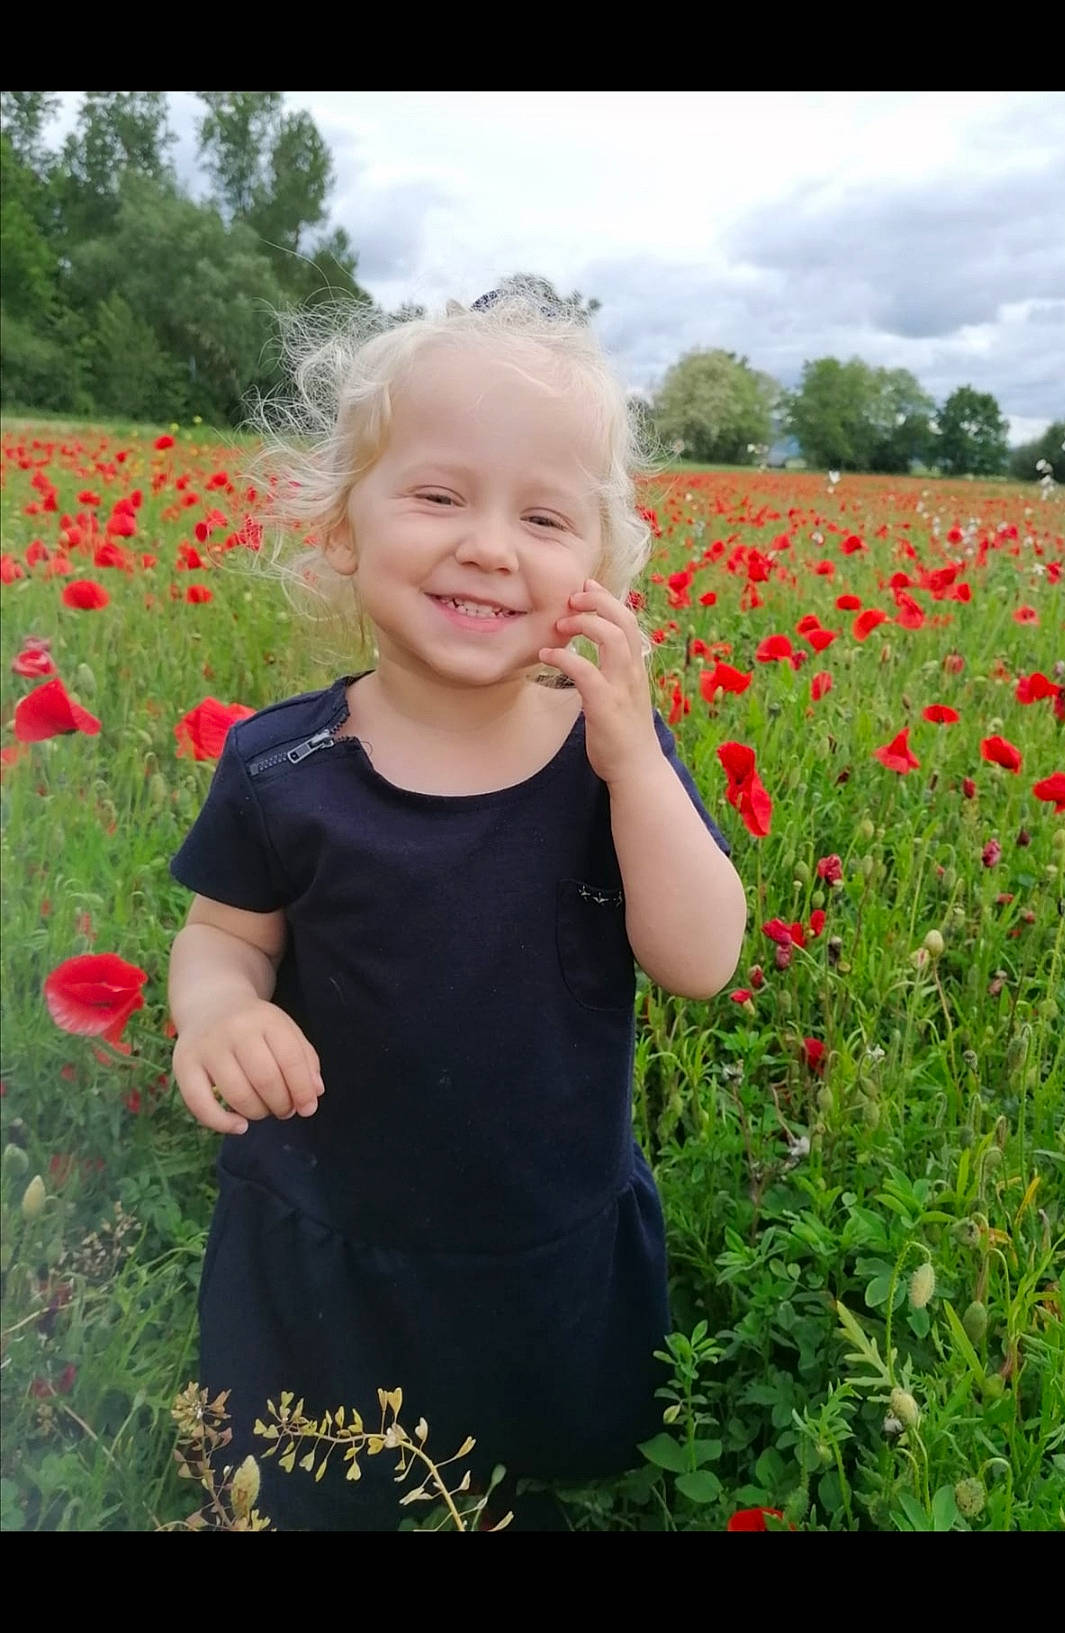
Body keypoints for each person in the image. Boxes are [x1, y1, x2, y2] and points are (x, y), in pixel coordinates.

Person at [167, 289, 747, 1531]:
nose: (491, 544)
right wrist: (215, 1012)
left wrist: (640, 763)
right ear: (339, 529)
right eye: (438, 496)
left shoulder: (610, 762)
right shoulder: (282, 768)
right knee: (325, 1483)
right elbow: (225, 935)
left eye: (544, 517)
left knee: (550, 1470)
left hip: (542, 1227)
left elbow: (700, 959)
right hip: (334, 1223)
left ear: (595, 571)